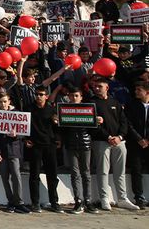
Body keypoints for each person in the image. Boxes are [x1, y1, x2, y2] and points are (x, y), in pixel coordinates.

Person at [88, 76, 140, 210]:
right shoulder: (91, 103)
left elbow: (124, 122)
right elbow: (92, 125)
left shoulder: (115, 102)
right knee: (103, 171)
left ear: (107, 87)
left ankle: (122, 198)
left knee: (120, 171)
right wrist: (108, 137)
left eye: (100, 86)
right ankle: (104, 198)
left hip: (119, 142)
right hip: (101, 142)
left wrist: (120, 137)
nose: (97, 89)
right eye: (95, 86)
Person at [20, 85, 62, 213]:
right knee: (34, 175)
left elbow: (58, 128)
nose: (38, 97)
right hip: (35, 146)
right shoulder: (28, 109)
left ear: (46, 96)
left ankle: (54, 202)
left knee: (52, 175)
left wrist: (58, 139)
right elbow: (23, 125)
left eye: (41, 94)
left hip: (49, 145)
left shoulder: (52, 109)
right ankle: (35, 203)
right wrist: (25, 139)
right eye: (37, 94)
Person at [56, 84, 97, 214]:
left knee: (86, 173)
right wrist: (58, 123)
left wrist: (98, 120)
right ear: (68, 97)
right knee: (75, 174)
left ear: (81, 97)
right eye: (71, 95)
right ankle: (78, 200)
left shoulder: (88, 109)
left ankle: (88, 200)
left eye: (76, 96)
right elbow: (62, 130)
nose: (74, 98)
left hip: (85, 144)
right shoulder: (64, 110)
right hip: (71, 145)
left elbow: (93, 128)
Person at [0, 93, 28, 213]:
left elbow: (24, 131)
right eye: (0, 102)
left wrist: (17, 135)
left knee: (16, 176)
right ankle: (10, 202)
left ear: (9, 101)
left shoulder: (17, 113)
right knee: (4, 177)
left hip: (14, 149)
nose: (3, 104)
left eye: (5, 101)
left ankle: (19, 202)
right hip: (1, 150)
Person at [125, 81, 149, 208]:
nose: (136, 92)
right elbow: (129, 124)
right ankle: (139, 196)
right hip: (135, 143)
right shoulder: (132, 105)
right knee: (136, 170)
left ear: (147, 92)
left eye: (139, 90)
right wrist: (139, 139)